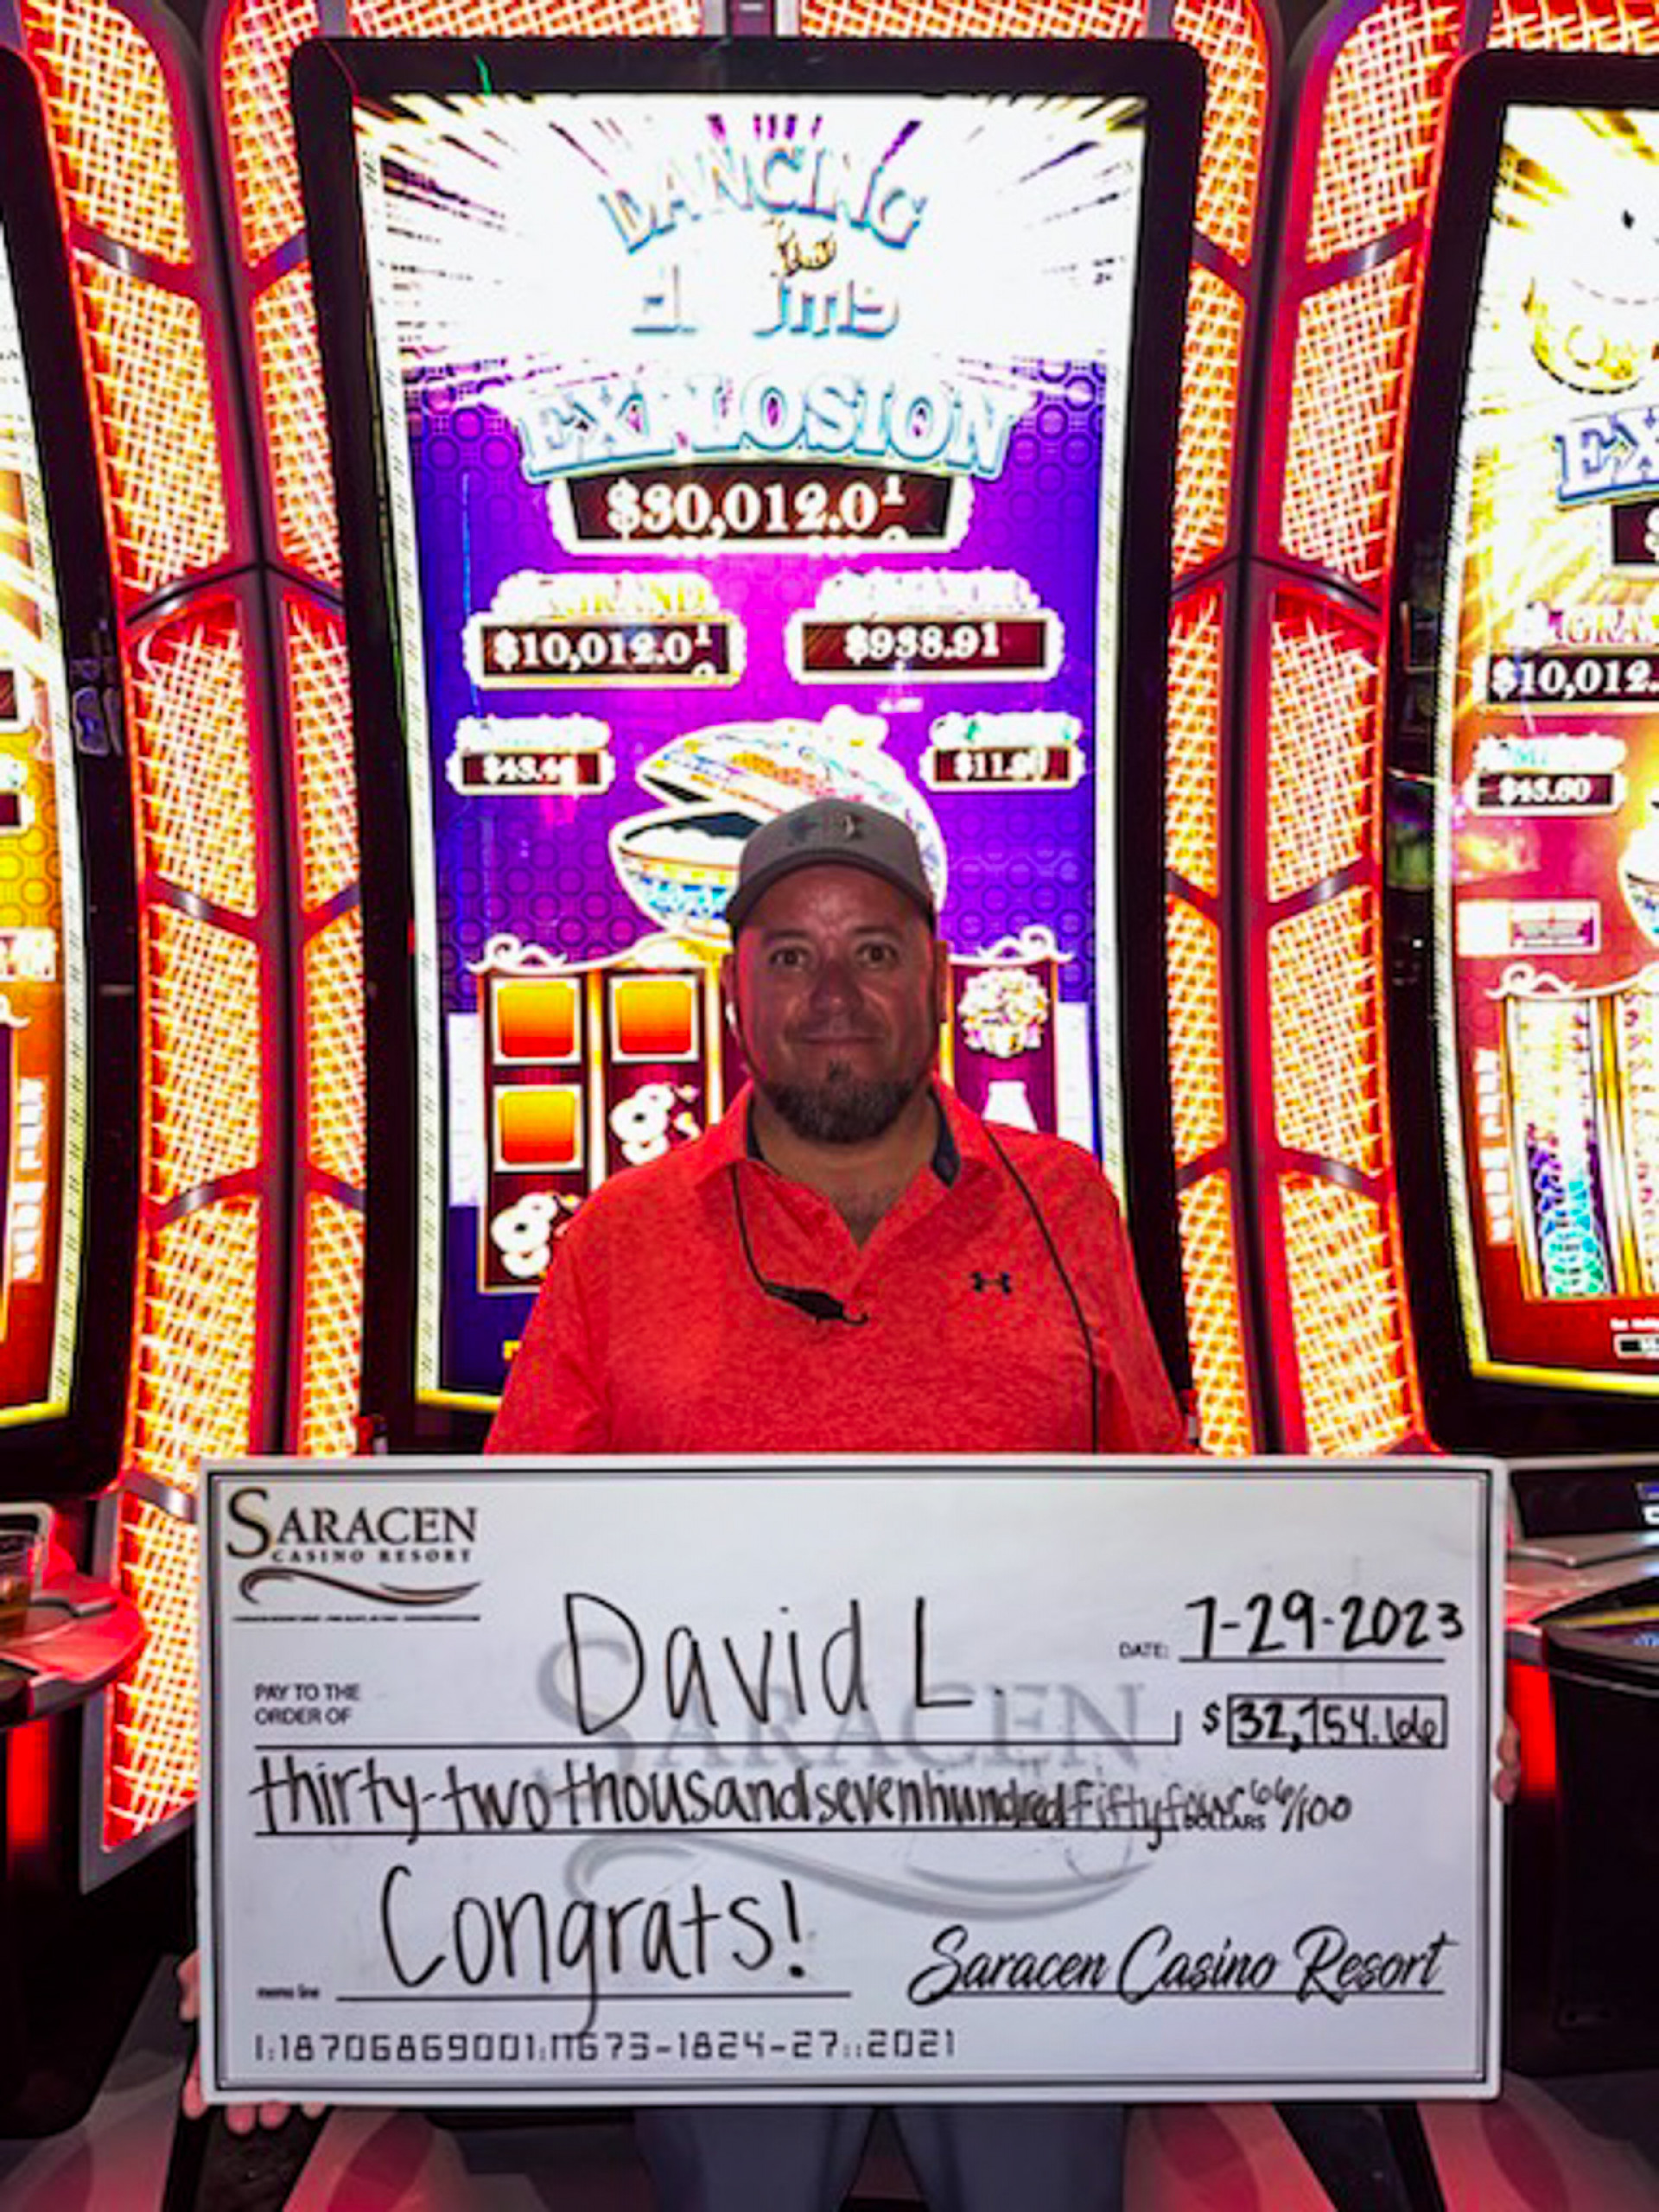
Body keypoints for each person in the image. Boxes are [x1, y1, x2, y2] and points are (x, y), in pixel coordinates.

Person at [486, 794, 1185, 2212]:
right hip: (712, 1860)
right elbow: (505, 1573)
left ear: (939, 978)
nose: (833, 997)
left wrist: (1392, 1717)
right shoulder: (621, 1234)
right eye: (791, 957)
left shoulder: (1066, 1202)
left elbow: (1172, 1527)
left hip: (1024, 1847)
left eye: (873, 951)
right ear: (733, 993)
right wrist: (292, 1914)